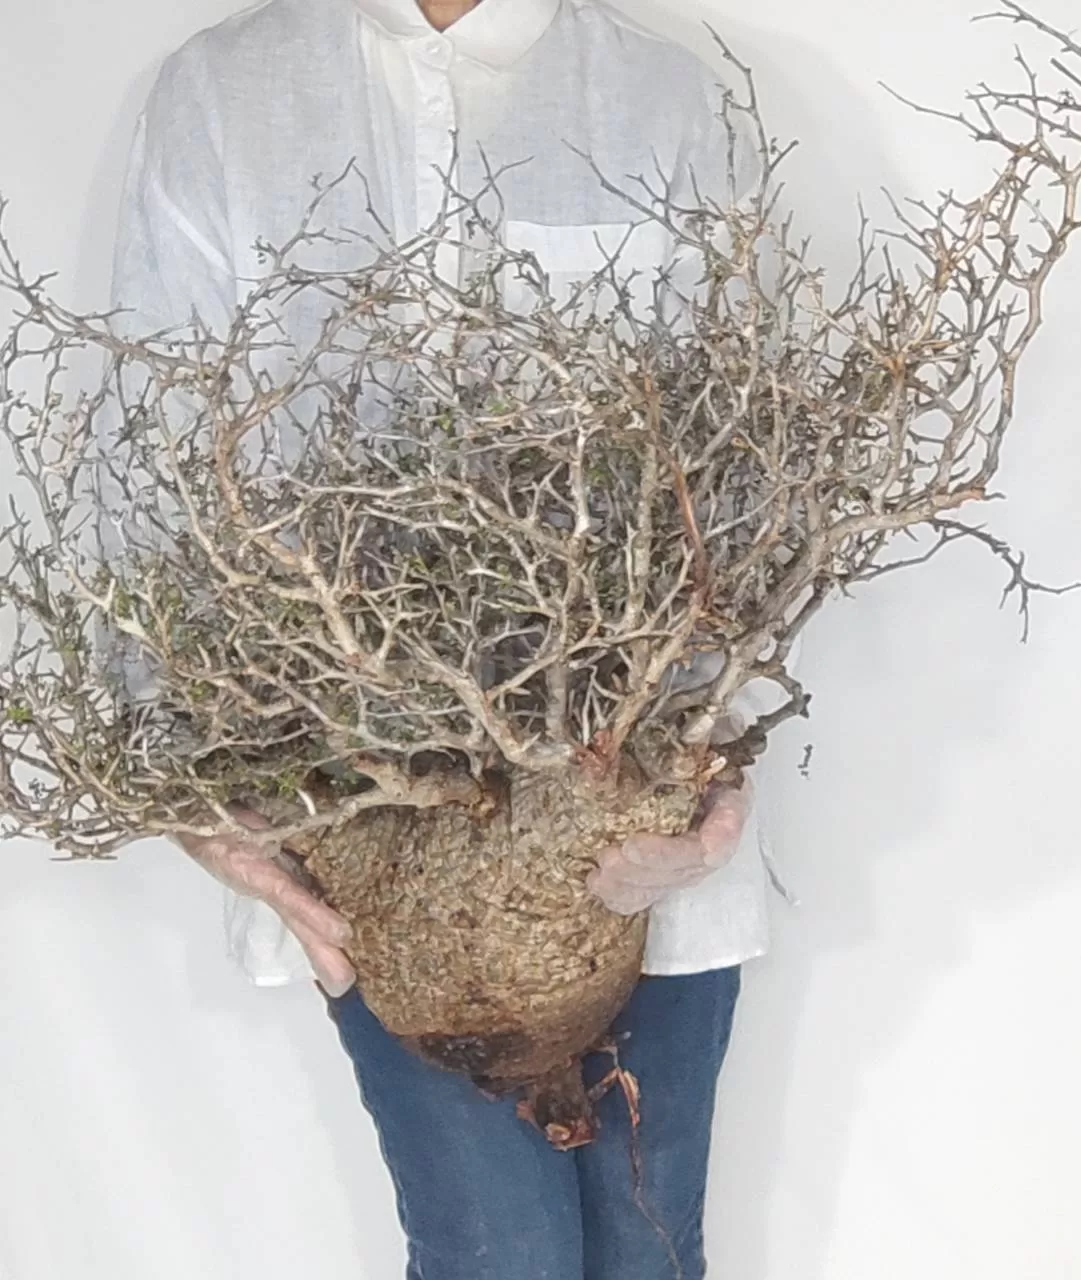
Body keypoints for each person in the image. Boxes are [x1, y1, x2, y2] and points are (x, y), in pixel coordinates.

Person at [110, 0, 774, 1275]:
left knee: (646, 1250)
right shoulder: (227, 96)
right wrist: (189, 787)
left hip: (627, 789)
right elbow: (150, 456)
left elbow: (734, 476)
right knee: (498, 1251)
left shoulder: (660, 97)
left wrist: (711, 772)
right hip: (373, 817)